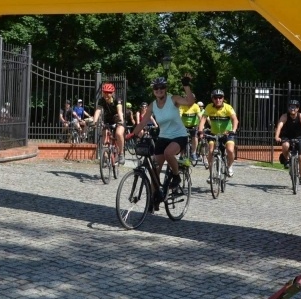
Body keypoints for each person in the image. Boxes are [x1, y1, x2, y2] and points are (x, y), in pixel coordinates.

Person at [128, 76, 195, 210]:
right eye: (156, 88)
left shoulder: (173, 99)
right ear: (153, 90)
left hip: (179, 136)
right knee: (154, 169)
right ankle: (154, 199)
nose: (159, 90)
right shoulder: (153, 105)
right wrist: (132, 134)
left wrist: (186, 86)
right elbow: (142, 122)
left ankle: (176, 177)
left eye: (162, 87)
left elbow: (190, 102)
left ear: (165, 89)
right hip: (163, 137)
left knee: (168, 153)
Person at [198, 88, 239, 177]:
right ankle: (211, 174)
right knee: (211, 151)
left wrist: (234, 130)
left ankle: (230, 166)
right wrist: (200, 131)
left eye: (220, 97)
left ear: (223, 98)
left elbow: (235, 119)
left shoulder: (228, 107)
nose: (218, 100)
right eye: (215, 98)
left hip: (227, 134)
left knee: (230, 150)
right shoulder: (209, 107)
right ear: (212, 99)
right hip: (214, 134)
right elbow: (203, 119)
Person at [274, 99, 301, 185]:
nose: (292, 109)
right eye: (291, 107)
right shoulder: (284, 116)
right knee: (285, 145)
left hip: (299, 137)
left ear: (297, 109)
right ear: (288, 108)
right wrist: (277, 136)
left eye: (294, 107)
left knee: (300, 157)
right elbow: (279, 126)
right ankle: (287, 160)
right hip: (287, 137)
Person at [92, 82, 126, 165]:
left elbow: (119, 110)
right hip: (108, 119)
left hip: (118, 118)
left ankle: (121, 154)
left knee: (118, 133)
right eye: (105, 92)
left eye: (109, 93)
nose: (107, 95)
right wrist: (94, 122)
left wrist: (121, 120)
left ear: (113, 93)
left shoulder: (117, 99)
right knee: (105, 133)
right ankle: (105, 154)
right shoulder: (102, 100)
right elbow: (98, 110)